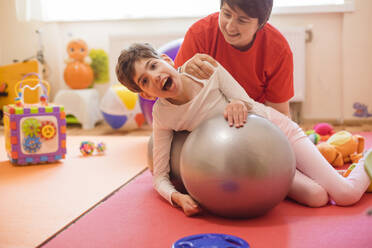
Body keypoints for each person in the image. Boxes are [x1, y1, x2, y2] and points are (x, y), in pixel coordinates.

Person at [116, 43, 371, 217]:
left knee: (346, 195)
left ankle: (367, 161)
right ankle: (324, 170)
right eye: (145, 81)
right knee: (316, 197)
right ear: (146, 95)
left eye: (152, 66)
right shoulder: (163, 115)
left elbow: (245, 101)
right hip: (258, 163)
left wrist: (238, 102)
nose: (155, 76)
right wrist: (177, 198)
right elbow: (159, 175)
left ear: (166, 60)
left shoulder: (206, 70)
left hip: (278, 132)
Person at [174, 0, 293, 117]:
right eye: (226, 14)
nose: (230, 27)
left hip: (253, 119)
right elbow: (175, 98)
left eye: (242, 21)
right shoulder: (199, 34)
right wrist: (183, 71)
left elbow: (279, 114)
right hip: (205, 117)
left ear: (260, 24)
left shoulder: (278, 50)